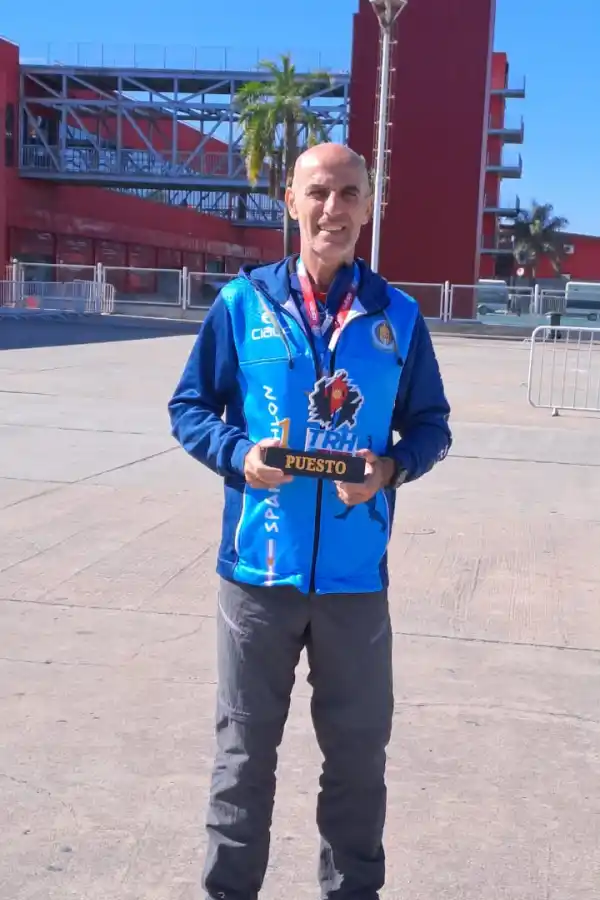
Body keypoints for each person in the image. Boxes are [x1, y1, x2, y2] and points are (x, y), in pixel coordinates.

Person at [168, 142, 452, 900]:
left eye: (350, 193)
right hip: (257, 577)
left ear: (370, 204)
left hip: (356, 583)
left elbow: (432, 425)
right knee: (243, 757)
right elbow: (189, 408)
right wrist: (239, 455)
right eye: (319, 192)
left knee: (359, 761)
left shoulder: (398, 316)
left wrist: (390, 469)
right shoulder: (241, 305)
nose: (335, 209)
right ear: (289, 202)